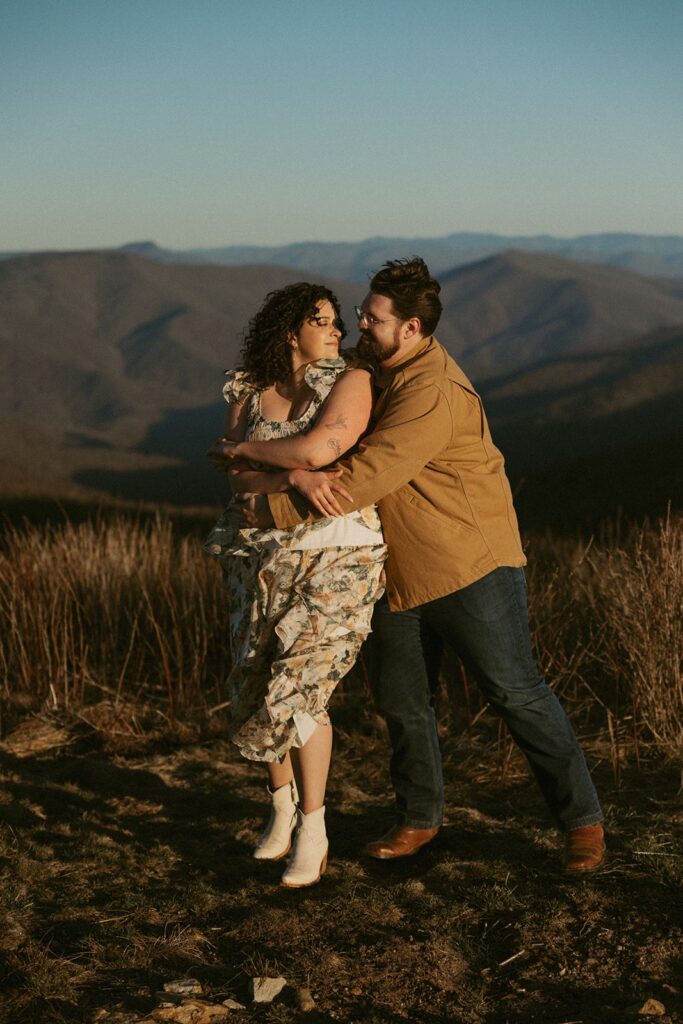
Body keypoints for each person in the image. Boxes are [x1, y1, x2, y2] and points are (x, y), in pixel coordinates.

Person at [230, 257, 605, 873]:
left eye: (372, 318)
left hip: (468, 565)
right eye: (359, 313)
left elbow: (367, 475)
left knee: (516, 694)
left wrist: (269, 506)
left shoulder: (430, 389)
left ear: (410, 328)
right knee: (404, 703)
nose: (359, 325)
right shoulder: (374, 370)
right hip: (396, 567)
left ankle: (582, 823)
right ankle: (418, 819)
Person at [204, 282, 386, 889]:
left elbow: (320, 446)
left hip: (338, 554)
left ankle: (315, 826)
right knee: (255, 677)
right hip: (257, 554)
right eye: (324, 321)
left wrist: (273, 467)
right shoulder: (249, 388)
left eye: (338, 321)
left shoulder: (351, 380)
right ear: (290, 331)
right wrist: (296, 482)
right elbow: (236, 482)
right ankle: (280, 807)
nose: (338, 331)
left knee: (301, 684)